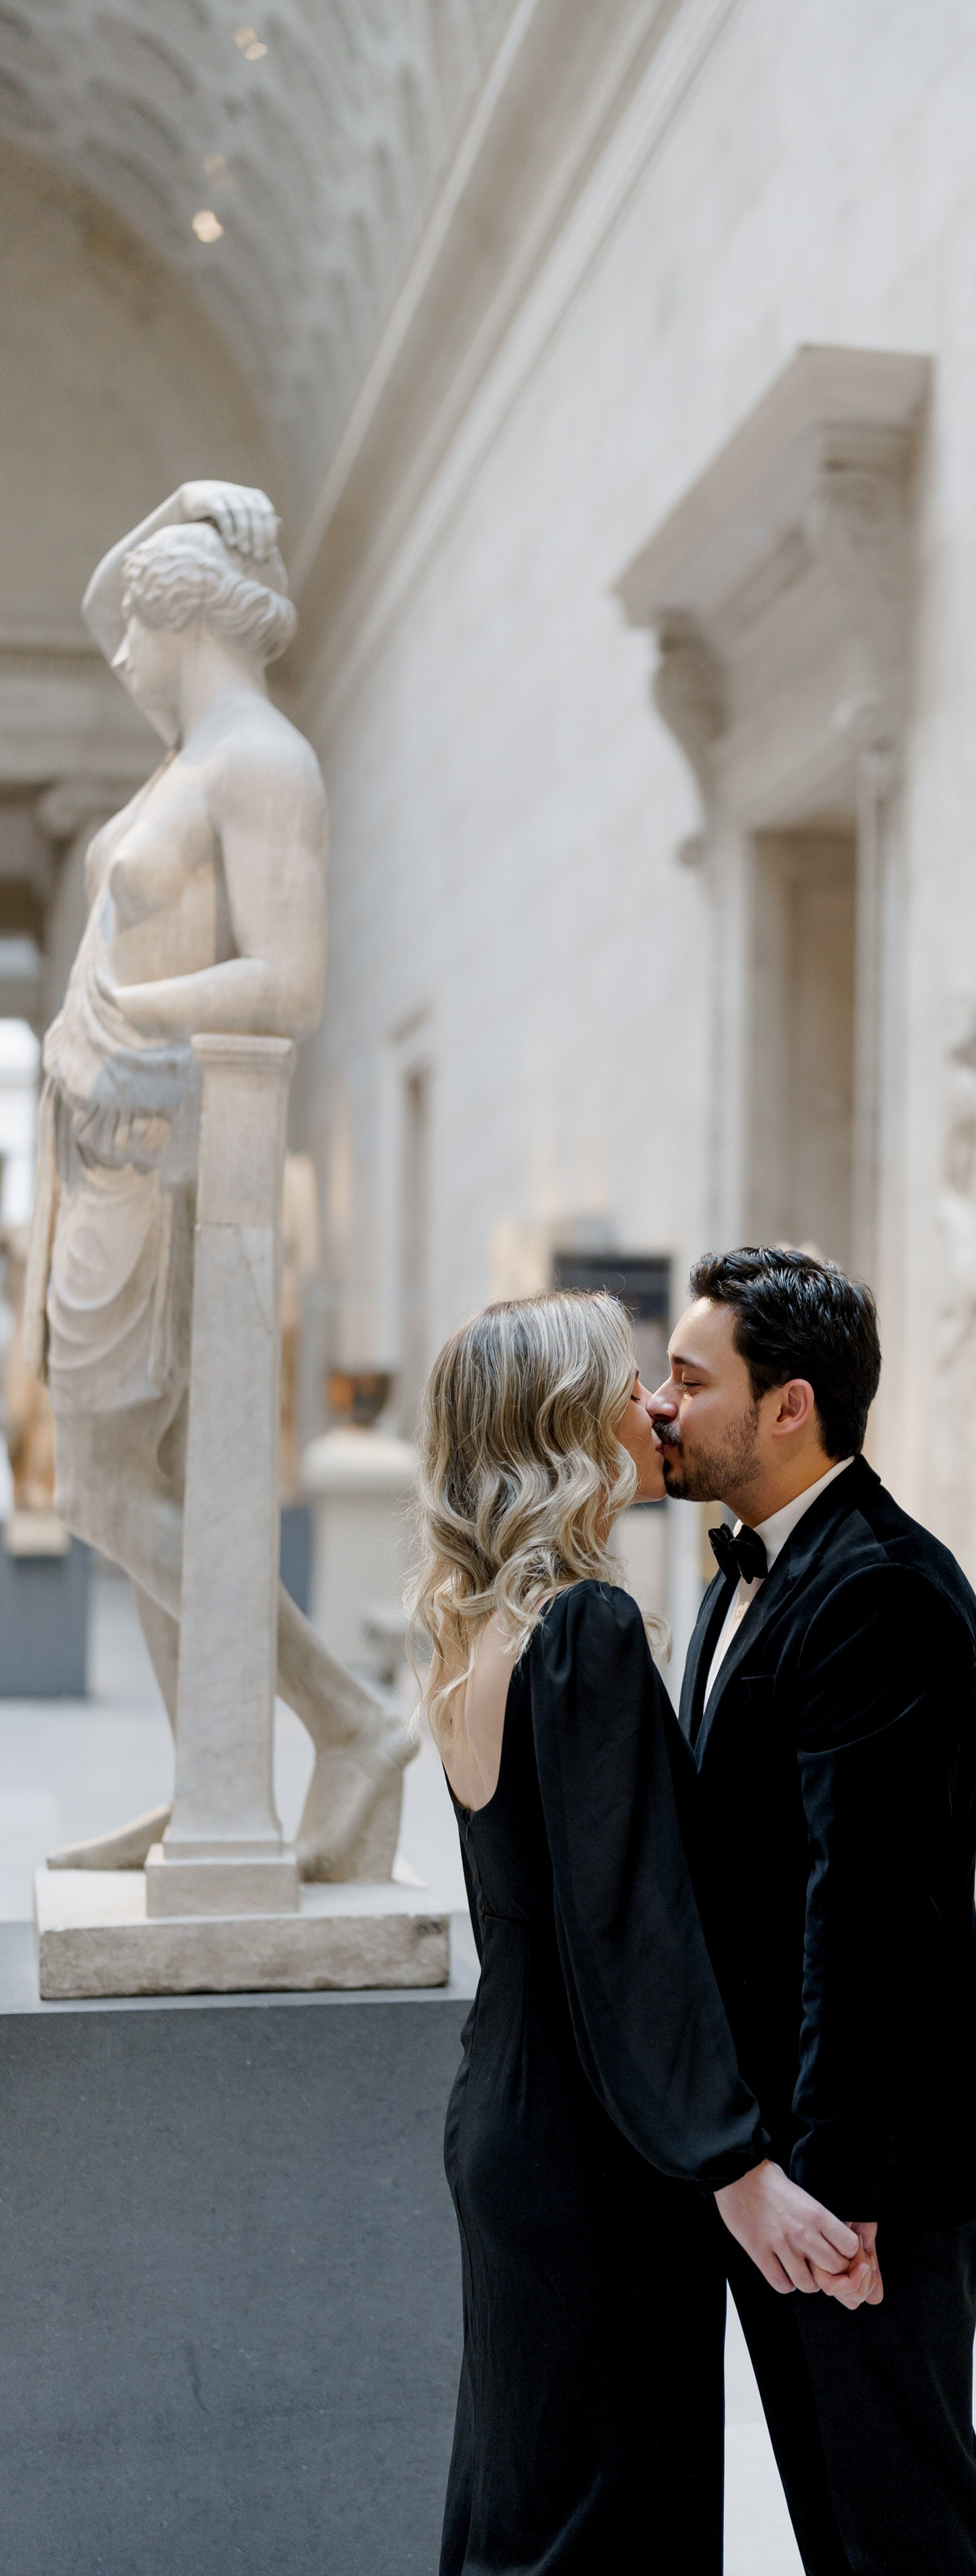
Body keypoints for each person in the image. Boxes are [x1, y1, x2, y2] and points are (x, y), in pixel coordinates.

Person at [409, 1289, 877, 2575]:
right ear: (570, 1421)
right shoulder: (586, 1630)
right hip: (595, 2159)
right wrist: (739, 2171)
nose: (652, 1406)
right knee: (609, 2526)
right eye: (627, 1383)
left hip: (507, 2125)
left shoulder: (472, 1628)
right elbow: (630, 1934)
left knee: (526, 2505)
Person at [21, 479, 408, 1877]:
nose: (112, 651)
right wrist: (184, 504)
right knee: (127, 1479)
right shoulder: (194, 759)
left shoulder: (261, 764)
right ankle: (214, 1795)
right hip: (110, 1147)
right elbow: (99, 597)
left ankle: (346, 1725)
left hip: (165, 1156)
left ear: (182, 619)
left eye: (135, 624)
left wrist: (138, 1005)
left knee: (112, 1491)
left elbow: (291, 984)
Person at [649, 1246, 976, 2576]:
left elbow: (866, 1912)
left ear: (788, 1406)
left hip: (874, 2160)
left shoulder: (879, 1592)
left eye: (690, 1381)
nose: (660, 1405)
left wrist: (831, 2186)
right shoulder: (745, 1571)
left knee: (900, 2525)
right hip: (791, 2145)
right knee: (837, 2515)